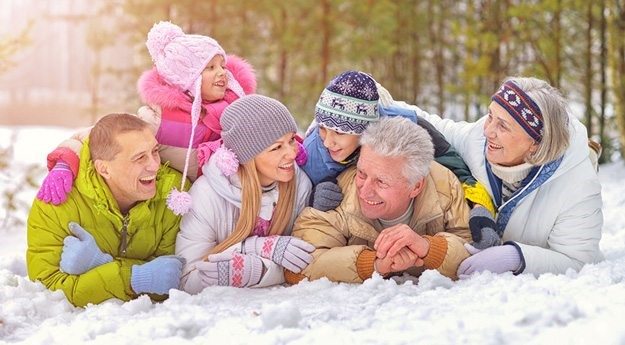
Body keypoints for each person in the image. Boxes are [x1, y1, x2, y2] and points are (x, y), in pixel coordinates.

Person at [36, 21, 259, 215]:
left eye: (222, 65)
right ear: (186, 79)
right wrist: (65, 161)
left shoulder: (238, 106)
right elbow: (99, 136)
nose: (222, 73)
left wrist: (292, 145)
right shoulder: (160, 118)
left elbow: (269, 134)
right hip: (193, 213)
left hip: (243, 203)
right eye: (210, 68)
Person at [395, 76, 604, 277]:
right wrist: (378, 102)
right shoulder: (476, 141)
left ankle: (589, 153)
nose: (488, 131)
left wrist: (516, 257)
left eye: (503, 125)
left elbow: (577, 260)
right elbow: (434, 126)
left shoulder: (578, 186)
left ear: (535, 142)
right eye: (490, 116)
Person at [302, 70, 498, 248]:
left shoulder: (406, 127)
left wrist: (480, 208)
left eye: (339, 132)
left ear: (364, 130)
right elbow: (295, 195)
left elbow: (455, 166)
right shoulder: (312, 152)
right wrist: (313, 196)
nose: (328, 142)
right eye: (322, 129)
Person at [27, 113, 189, 307]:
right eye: (140, 158)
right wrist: (134, 278)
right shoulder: (57, 200)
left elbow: (171, 277)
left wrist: (100, 265)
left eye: (155, 151)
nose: (155, 166)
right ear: (103, 169)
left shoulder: (175, 196)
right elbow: (48, 288)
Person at [286, 116, 473, 284]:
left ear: (416, 186)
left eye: (381, 182)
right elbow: (297, 267)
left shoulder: (444, 186)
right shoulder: (340, 194)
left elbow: (471, 248)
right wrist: (372, 263)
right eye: (361, 173)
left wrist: (428, 248)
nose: (364, 191)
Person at [176, 95, 315, 293]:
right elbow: (188, 280)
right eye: (276, 147)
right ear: (248, 156)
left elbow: (305, 259)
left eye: (291, 140)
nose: (292, 154)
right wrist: (254, 248)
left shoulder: (299, 184)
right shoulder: (206, 195)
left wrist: (262, 271)